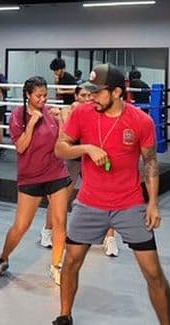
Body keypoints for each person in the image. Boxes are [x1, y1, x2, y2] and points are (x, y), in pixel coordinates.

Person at [52, 64, 170, 325]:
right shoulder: (82, 113)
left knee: (153, 273)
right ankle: (64, 316)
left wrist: (153, 203)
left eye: (98, 92)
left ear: (117, 92)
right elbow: (60, 149)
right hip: (89, 202)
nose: (92, 96)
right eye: (90, 91)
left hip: (129, 204)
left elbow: (150, 162)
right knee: (70, 262)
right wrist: (86, 149)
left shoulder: (141, 121)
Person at [0, 76, 70, 286]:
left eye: (45, 96)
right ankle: (2, 259)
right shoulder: (18, 115)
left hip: (56, 172)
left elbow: (64, 143)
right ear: (28, 95)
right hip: (31, 176)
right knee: (21, 225)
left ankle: (57, 265)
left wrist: (62, 121)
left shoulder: (51, 113)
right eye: (38, 96)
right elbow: (21, 147)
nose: (42, 100)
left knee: (60, 222)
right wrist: (32, 123)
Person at [47, 82, 118, 257]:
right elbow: (63, 140)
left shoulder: (99, 111)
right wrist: (63, 116)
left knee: (106, 197)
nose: (87, 99)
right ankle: (48, 231)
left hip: (94, 159)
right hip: (74, 156)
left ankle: (110, 239)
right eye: (83, 96)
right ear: (76, 96)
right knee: (60, 196)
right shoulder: (69, 111)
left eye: (90, 95)